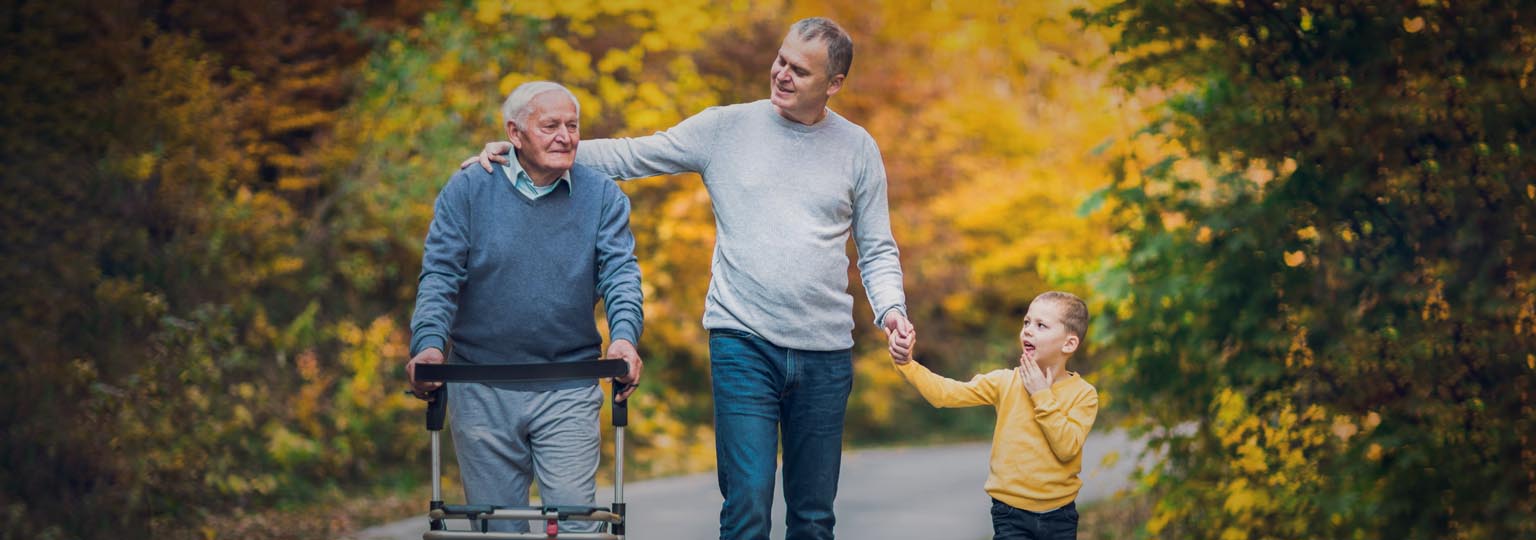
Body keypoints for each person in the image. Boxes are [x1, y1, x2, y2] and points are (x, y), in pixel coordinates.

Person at [466, 17, 914, 540]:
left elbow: (877, 247)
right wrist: (526, 150)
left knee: (813, 517)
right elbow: (632, 155)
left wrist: (892, 311)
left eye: (800, 70)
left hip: (826, 351)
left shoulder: (857, 148)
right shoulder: (726, 128)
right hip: (743, 341)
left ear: (834, 84)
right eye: (781, 60)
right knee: (747, 501)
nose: (781, 75)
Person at [406, 81, 644, 534]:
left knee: (577, 523)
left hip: (568, 384)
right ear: (515, 134)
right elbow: (439, 276)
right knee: (498, 528)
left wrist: (625, 338)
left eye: (572, 126)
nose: (566, 136)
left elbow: (620, 275)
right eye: (550, 125)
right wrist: (430, 345)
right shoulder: (469, 190)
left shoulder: (602, 196)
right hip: (480, 386)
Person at [890, 291, 1099, 540]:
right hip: (1010, 513)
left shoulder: (1084, 395)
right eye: (1026, 322)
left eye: (1041, 325)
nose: (1028, 330)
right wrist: (907, 364)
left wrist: (1041, 394)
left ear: (1069, 344)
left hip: (1060, 516)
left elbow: (1066, 448)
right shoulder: (1004, 382)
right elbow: (945, 394)